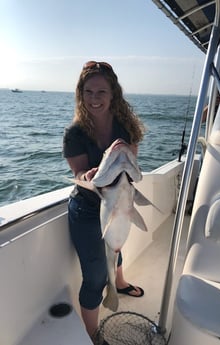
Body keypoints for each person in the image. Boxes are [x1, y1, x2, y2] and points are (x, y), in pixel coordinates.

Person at [63, 61, 145, 343]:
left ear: (113, 94)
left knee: (117, 244)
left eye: (102, 92)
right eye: (89, 92)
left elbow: (131, 165)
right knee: (96, 274)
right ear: (81, 94)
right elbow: (79, 175)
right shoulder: (75, 133)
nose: (95, 99)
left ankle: (119, 283)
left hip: (119, 197)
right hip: (87, 208)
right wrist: (88, 174)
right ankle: (92, 333)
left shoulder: (126, 126)